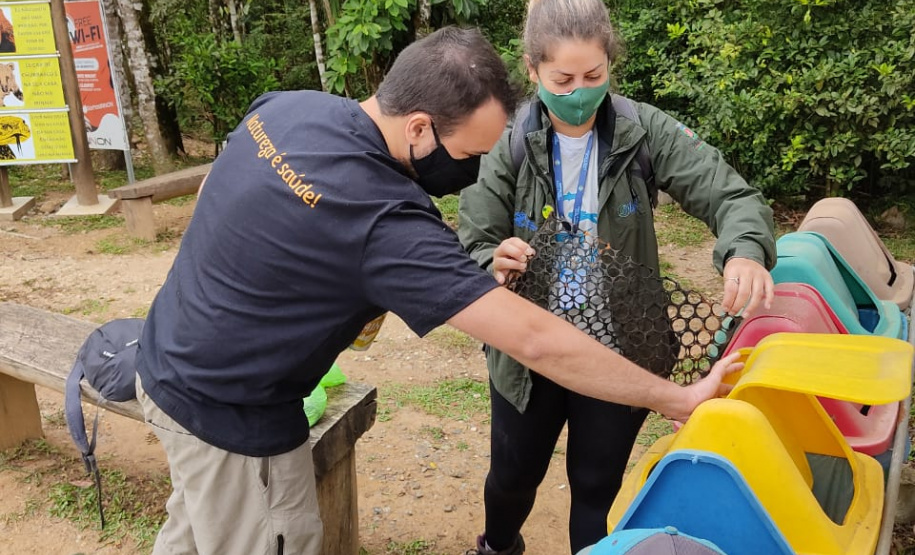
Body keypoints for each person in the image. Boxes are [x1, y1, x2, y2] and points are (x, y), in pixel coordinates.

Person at [135, 26, 743, 555]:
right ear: (420, 128)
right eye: (469, 154)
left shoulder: (289, 109)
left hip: (162, 356)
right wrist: (676, 397)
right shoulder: (386, 223)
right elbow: (533, 339)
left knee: (190, 533)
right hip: (230, 418)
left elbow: (223, 183)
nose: (476, 171)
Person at [457, 2, 777, 554]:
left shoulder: (642, 130)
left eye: (593, 76)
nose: (579, 91)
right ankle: (499, 545)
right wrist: (493, 260)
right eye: (562, 79)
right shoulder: (507, 140)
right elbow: (472, 240)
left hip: (621, 346)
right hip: (527, 351)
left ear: (610, 67)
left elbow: (731, 195)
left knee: (596, 488)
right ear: (532, 71)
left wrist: (745, 251)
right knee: (511, 479)